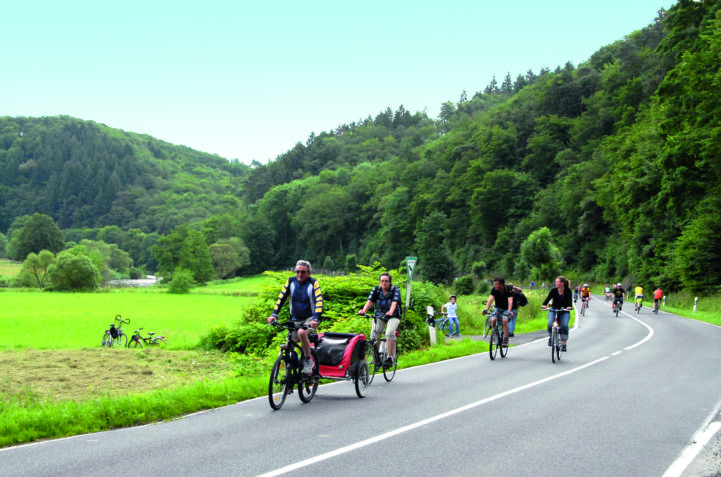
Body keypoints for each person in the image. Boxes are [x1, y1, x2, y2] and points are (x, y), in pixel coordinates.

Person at [267, 260, 324, 374]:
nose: (299, 274)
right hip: (295, 319)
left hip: (310, 318)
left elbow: (319, 301)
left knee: (302, 333)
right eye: (297, 271)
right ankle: (292, 373)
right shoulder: (290, 282)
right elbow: (281, 298)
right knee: (290, 347)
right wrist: (274, 314)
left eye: (303, 272)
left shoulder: (313, 283)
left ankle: (308, 360)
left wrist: (316, 318)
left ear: (309, 273)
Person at [357, 272, 402, 367]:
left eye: (386, 281)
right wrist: (363, 310)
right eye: (382, 281)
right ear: (379, 282)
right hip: (379, 315)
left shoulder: (395, 290)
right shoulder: (376, 290)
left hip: (393, 315)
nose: (384, 283)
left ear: (390, 282)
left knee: (389, 333)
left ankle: (389, 357)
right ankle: (376, 357)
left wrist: (390, 311)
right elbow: (370, 301)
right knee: (374, 334)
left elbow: (394, 302)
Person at [542, 276, 574, 351]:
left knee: (565, 326)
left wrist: (569, 306)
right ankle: (551, 337)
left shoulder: (568, 291)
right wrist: (544, 304)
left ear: (562, 283)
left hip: (564, 311)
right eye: (555, 282)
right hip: (554, 309)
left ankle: (564, 344)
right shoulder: (553, 290)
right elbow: (548, 298)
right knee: (550, 324)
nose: (555, 283)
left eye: (557, 282)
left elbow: (569, 300)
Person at [482, 277, 513, 346]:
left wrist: (510, 311)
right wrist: (486, 309)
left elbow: (510, 302)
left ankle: (505, 339)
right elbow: (490, 300)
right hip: (498, 307)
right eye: (494, 284)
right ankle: (494, 334)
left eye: (496, 284)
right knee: (493, 319)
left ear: (501, 285)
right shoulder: (494, 289)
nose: (494, 286)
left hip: (506, 308)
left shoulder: (508, 289)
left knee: (505, 320)